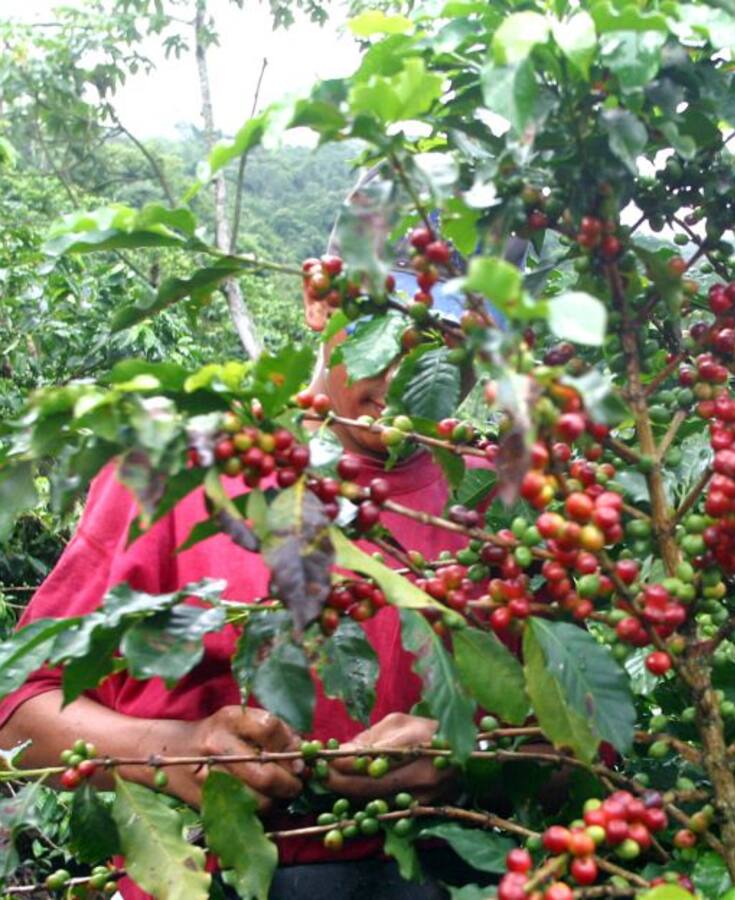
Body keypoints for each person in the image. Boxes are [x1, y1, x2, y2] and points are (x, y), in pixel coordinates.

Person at [0, 176, 491, 898]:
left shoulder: (492, 500)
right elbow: (19, 705)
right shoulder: (179, 467)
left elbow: (579, 749)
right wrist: (174, 751)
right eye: (385, 328)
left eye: (450, 343)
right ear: (319, 299)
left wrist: (471, 755)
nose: (410, 373)